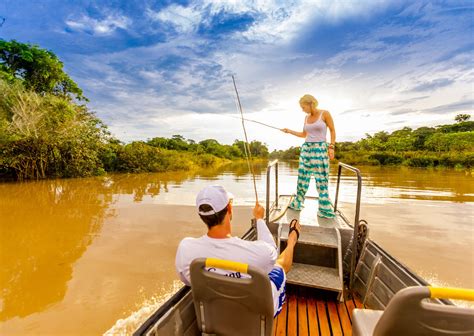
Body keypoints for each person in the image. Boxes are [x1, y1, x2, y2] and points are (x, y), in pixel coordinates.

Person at [175, 185, 301, 317]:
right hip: (254, 316)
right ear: (229, 208)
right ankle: (292, 241)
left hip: (217, 317)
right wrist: (259, 219)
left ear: (201, 215)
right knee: (279, 266)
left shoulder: (186, 248)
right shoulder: (256, 253)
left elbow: (187, 280)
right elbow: (272, 253)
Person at [281, 94, 336, 218]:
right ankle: (298, 202)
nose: (302, 109)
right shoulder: (306, 118)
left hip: (320, 149)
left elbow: (332, 130)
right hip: (306, 149)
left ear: (310, 104)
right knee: (302, 178)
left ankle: (324, 208)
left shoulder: (325, 114)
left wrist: (331, 147)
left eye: (303, 106)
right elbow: (303, 134)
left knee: (321, 179)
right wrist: (289, 131)